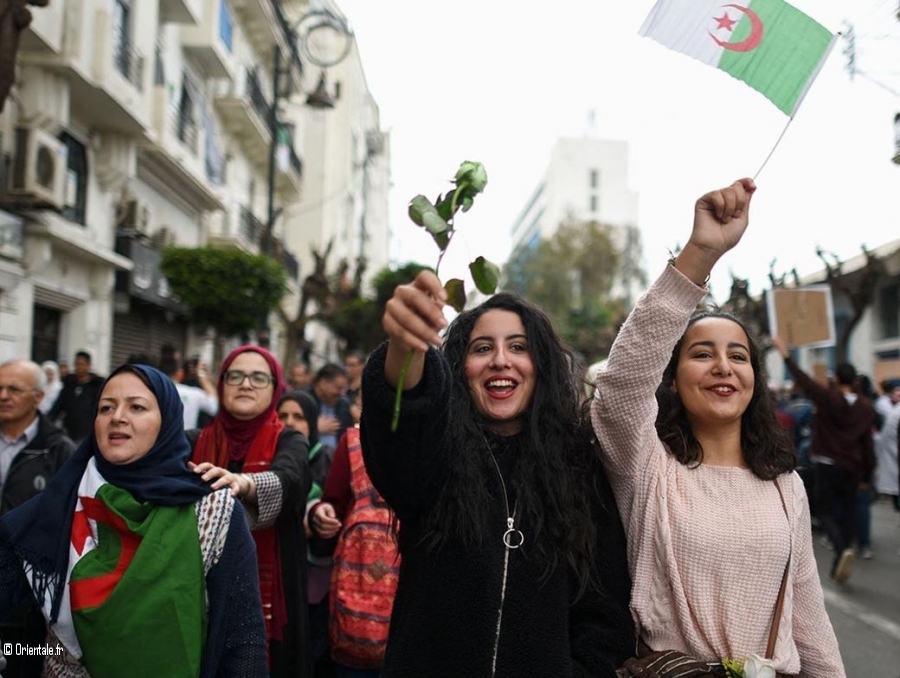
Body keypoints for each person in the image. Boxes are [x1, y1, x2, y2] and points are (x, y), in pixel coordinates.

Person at [593, 179, 844, 676]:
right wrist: (700, 254)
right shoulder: (645, 466)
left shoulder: (786, 486)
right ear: (672, 377)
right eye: (702, 354)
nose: (723, 367)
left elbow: (808, 616)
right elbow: (622, 382)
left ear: (755, 378)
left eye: (738, 356)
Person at [360, 272, 634, 677]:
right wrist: (405, 347)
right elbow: (398, 434)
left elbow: (605, 614)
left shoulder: (581, 469)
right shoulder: (434, 457)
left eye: (519, 347)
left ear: (541, 367)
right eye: (482, 348)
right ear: (460, 368)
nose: (500, 360)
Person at [0, 363, 267, 677]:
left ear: (167, 421)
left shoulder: (211, 508)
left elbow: (243, 639)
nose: (117, 417)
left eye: (137, 407)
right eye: (106, 407)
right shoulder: (59, 505)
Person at [188, 346, 312, 678]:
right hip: (195, 586)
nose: (246, 384)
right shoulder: (190, 441)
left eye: (259, 377)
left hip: (274, 587)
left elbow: (291, 477)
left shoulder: (290, 440)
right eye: (236, 375)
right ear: (222, 383)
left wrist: (244, 484)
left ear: (275, 387)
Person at [770, 338, 876, 579]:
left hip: (827, 463)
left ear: (837, 379)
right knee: (848, 510)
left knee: (825, 509)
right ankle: (846, 549)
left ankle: (840, 548)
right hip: (854, 466)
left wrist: (786, 354)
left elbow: (803, 380)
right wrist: (868, 474)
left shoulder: (828, 398)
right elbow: (867, 445)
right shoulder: (866, 408)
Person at [310, 390, 398, 678]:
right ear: (359, 407)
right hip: (357, 583)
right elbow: (333, 502)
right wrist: (323, 515)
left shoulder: (430, 442)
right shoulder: (351, 443)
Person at [0, 358, 76, 678]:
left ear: (38, 397)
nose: (3, 395)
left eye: (14, 389)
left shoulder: (59, 451)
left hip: (28, 605)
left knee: (21, 662)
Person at [277, 390, 336, 678]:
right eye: (283, 416)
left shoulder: (325, 458)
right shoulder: (267, 459)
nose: (290, 423)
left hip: (314, 574)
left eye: (298, 417)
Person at [49, 350, 105, 444]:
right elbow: (58, 406)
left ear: (88, 365)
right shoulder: (69, 385)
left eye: (82, 364)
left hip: (87, 432)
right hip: (68, 431)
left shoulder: (96, 386)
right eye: (76, 364)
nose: (79, 367)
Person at [160, 355, 219, 429]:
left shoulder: (153, 393)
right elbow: (214, 407)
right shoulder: (193, 393)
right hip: (186, 438)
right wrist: (201, 374)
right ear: (180, 373)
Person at [304, 364, 353, 451]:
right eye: (338, 388)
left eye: (343, 389)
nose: (342, 393)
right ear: (323, 383)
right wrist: (315, 429)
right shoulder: (302, 401)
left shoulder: (344, 405)